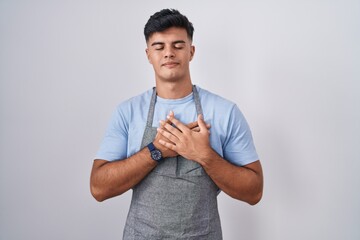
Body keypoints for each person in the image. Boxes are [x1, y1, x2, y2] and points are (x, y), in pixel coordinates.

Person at [90, 8, 263, 239]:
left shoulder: (225, 112)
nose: (169, 53)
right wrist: (155, 150)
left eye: (178, 45)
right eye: (159, 47)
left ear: (191, 52)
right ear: (148, 54)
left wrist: (204, 155)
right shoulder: (128, 112)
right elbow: (98, 188)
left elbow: (254, 191)